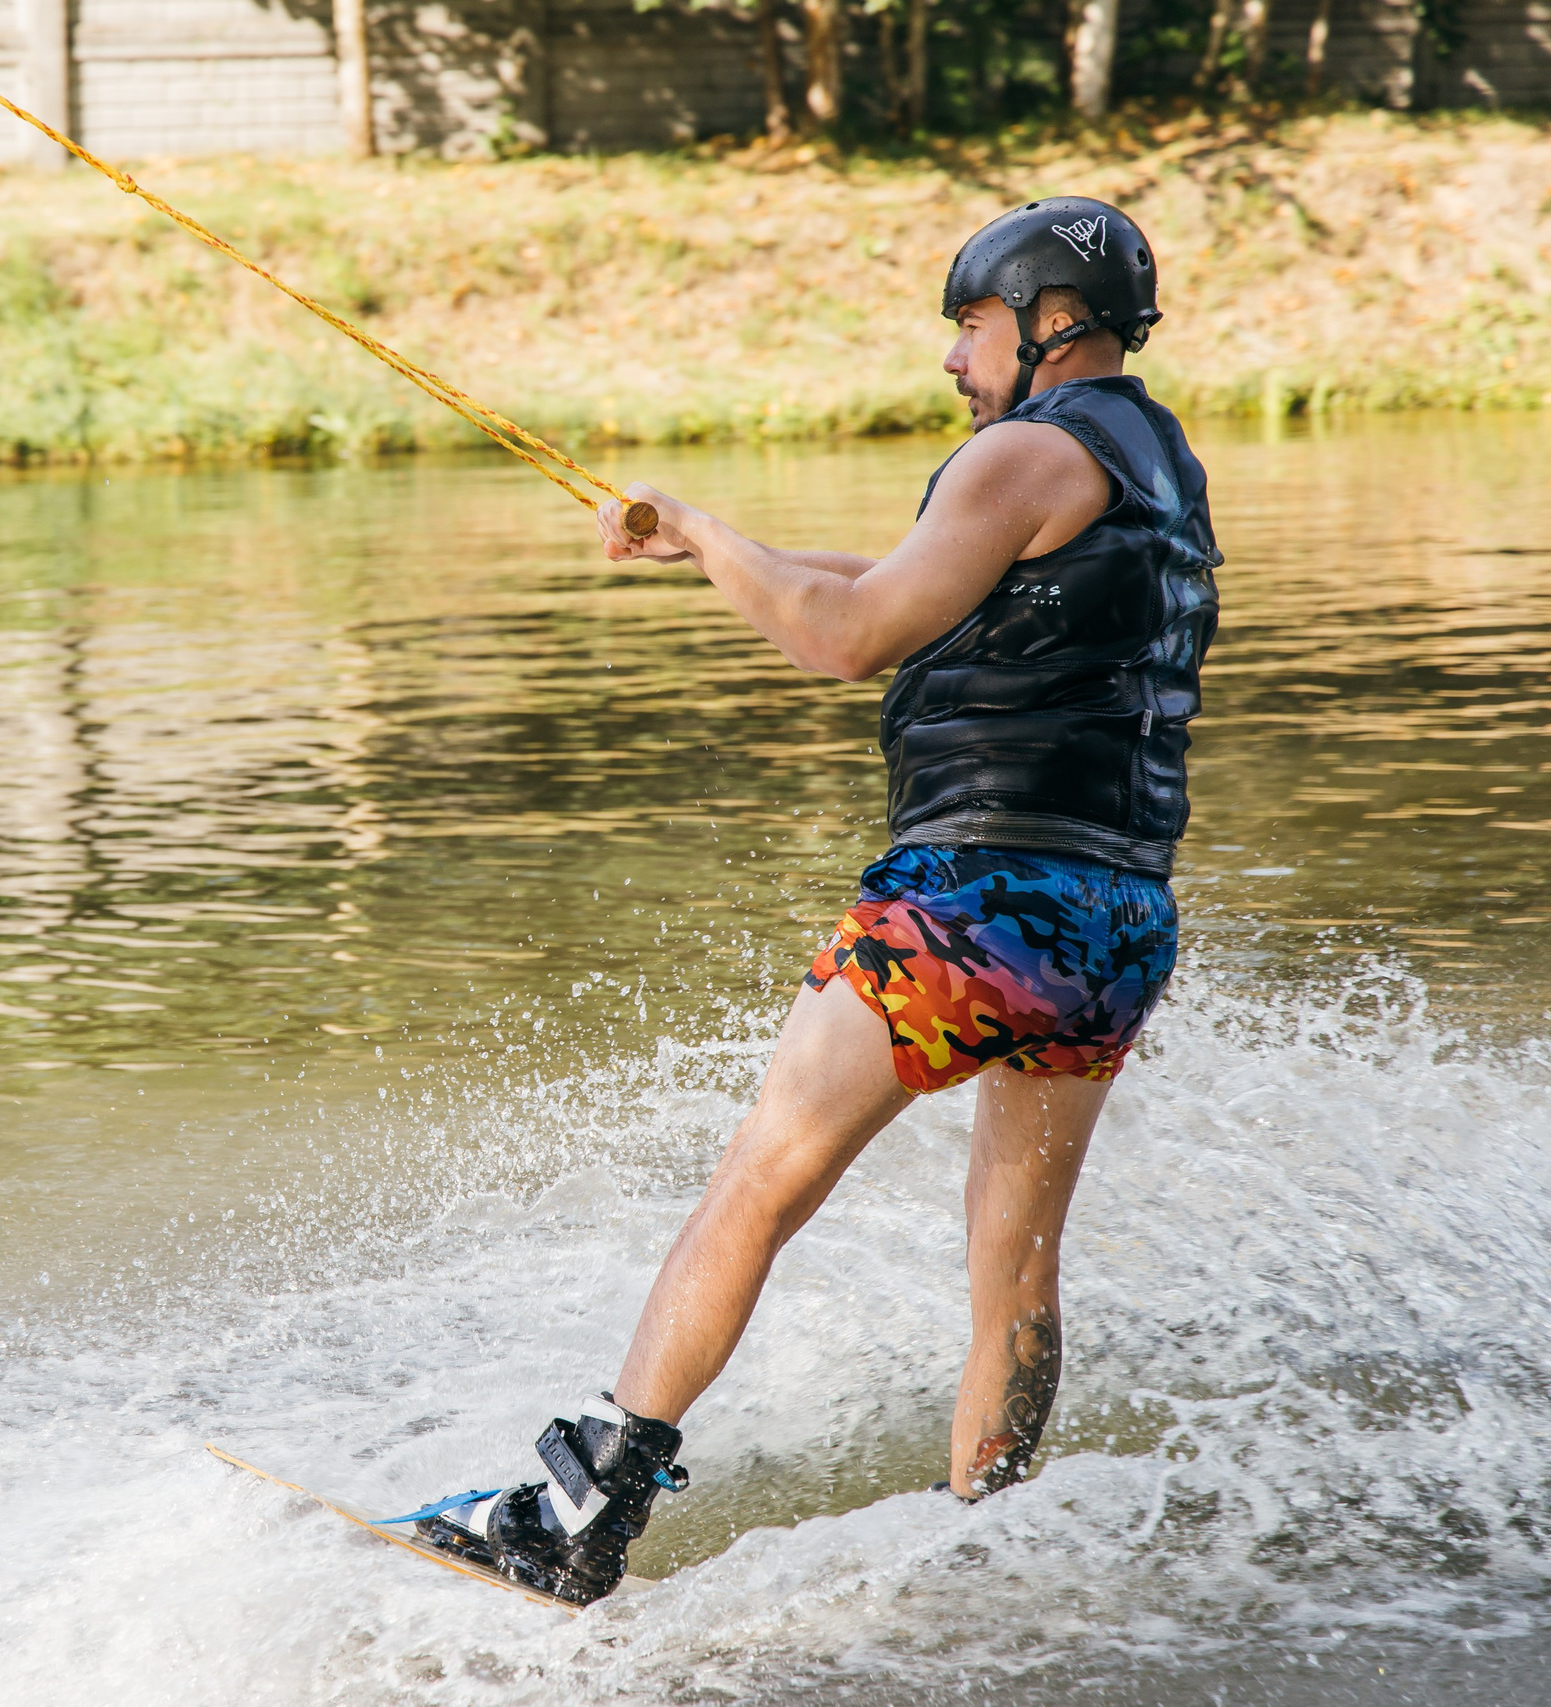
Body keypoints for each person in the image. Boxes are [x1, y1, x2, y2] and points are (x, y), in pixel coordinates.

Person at [405, 197, 1223, 1606]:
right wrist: (716, 553)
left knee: (759, 1184)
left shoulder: (1018, 450)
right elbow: (895, 590)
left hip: (970, 905)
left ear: (1047, 322)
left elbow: (843, 641)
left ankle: (576, 1517)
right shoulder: (1151, 459)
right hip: (1113, 925)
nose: (954, 359)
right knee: (1016, 1269)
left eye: (969, 326)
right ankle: (992, 1542)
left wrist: (716, 529)